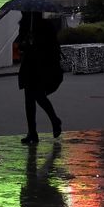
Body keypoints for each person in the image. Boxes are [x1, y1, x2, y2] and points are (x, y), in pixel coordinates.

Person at [16, 11, 64, 144]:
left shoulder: (45, 27)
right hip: (30, 65)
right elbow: (20, 45)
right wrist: (26, 43)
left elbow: (51, 46)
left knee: (37, 96)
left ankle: (53, 121)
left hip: (40, 65)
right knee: (30, 100)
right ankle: (33, 132)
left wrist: (35, 43)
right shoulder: (25, 26)